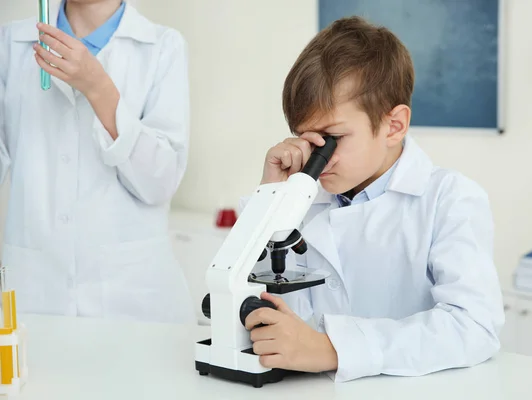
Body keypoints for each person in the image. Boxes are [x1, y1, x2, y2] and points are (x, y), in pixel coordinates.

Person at [243, 16, 505, 382]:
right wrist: (271, 200)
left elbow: (474, 326)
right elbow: (237, 298)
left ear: (393, 126)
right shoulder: (294, 199)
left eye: (332, 138)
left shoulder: (449, 199)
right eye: (306, 139)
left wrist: (333, 349)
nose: (319, 156)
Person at [0, 0, 196, 324]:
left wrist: (99, 88)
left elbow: (159, 183)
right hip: (36, 297)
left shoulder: (163, 46)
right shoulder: (10, 45)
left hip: (134, 303)